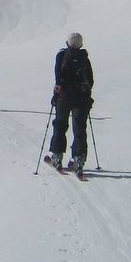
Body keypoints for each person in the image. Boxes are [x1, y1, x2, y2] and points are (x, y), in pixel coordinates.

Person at [48, 33, 94, 175]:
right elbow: (90, 80)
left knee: (60, 125)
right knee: (80, 128)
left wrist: (56, 95)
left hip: (64, 97)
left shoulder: (62, 56)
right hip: (81, 99)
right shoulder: (84, 58)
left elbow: (58, 77)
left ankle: (57, 157)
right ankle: (79, 160)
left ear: (67, 43)